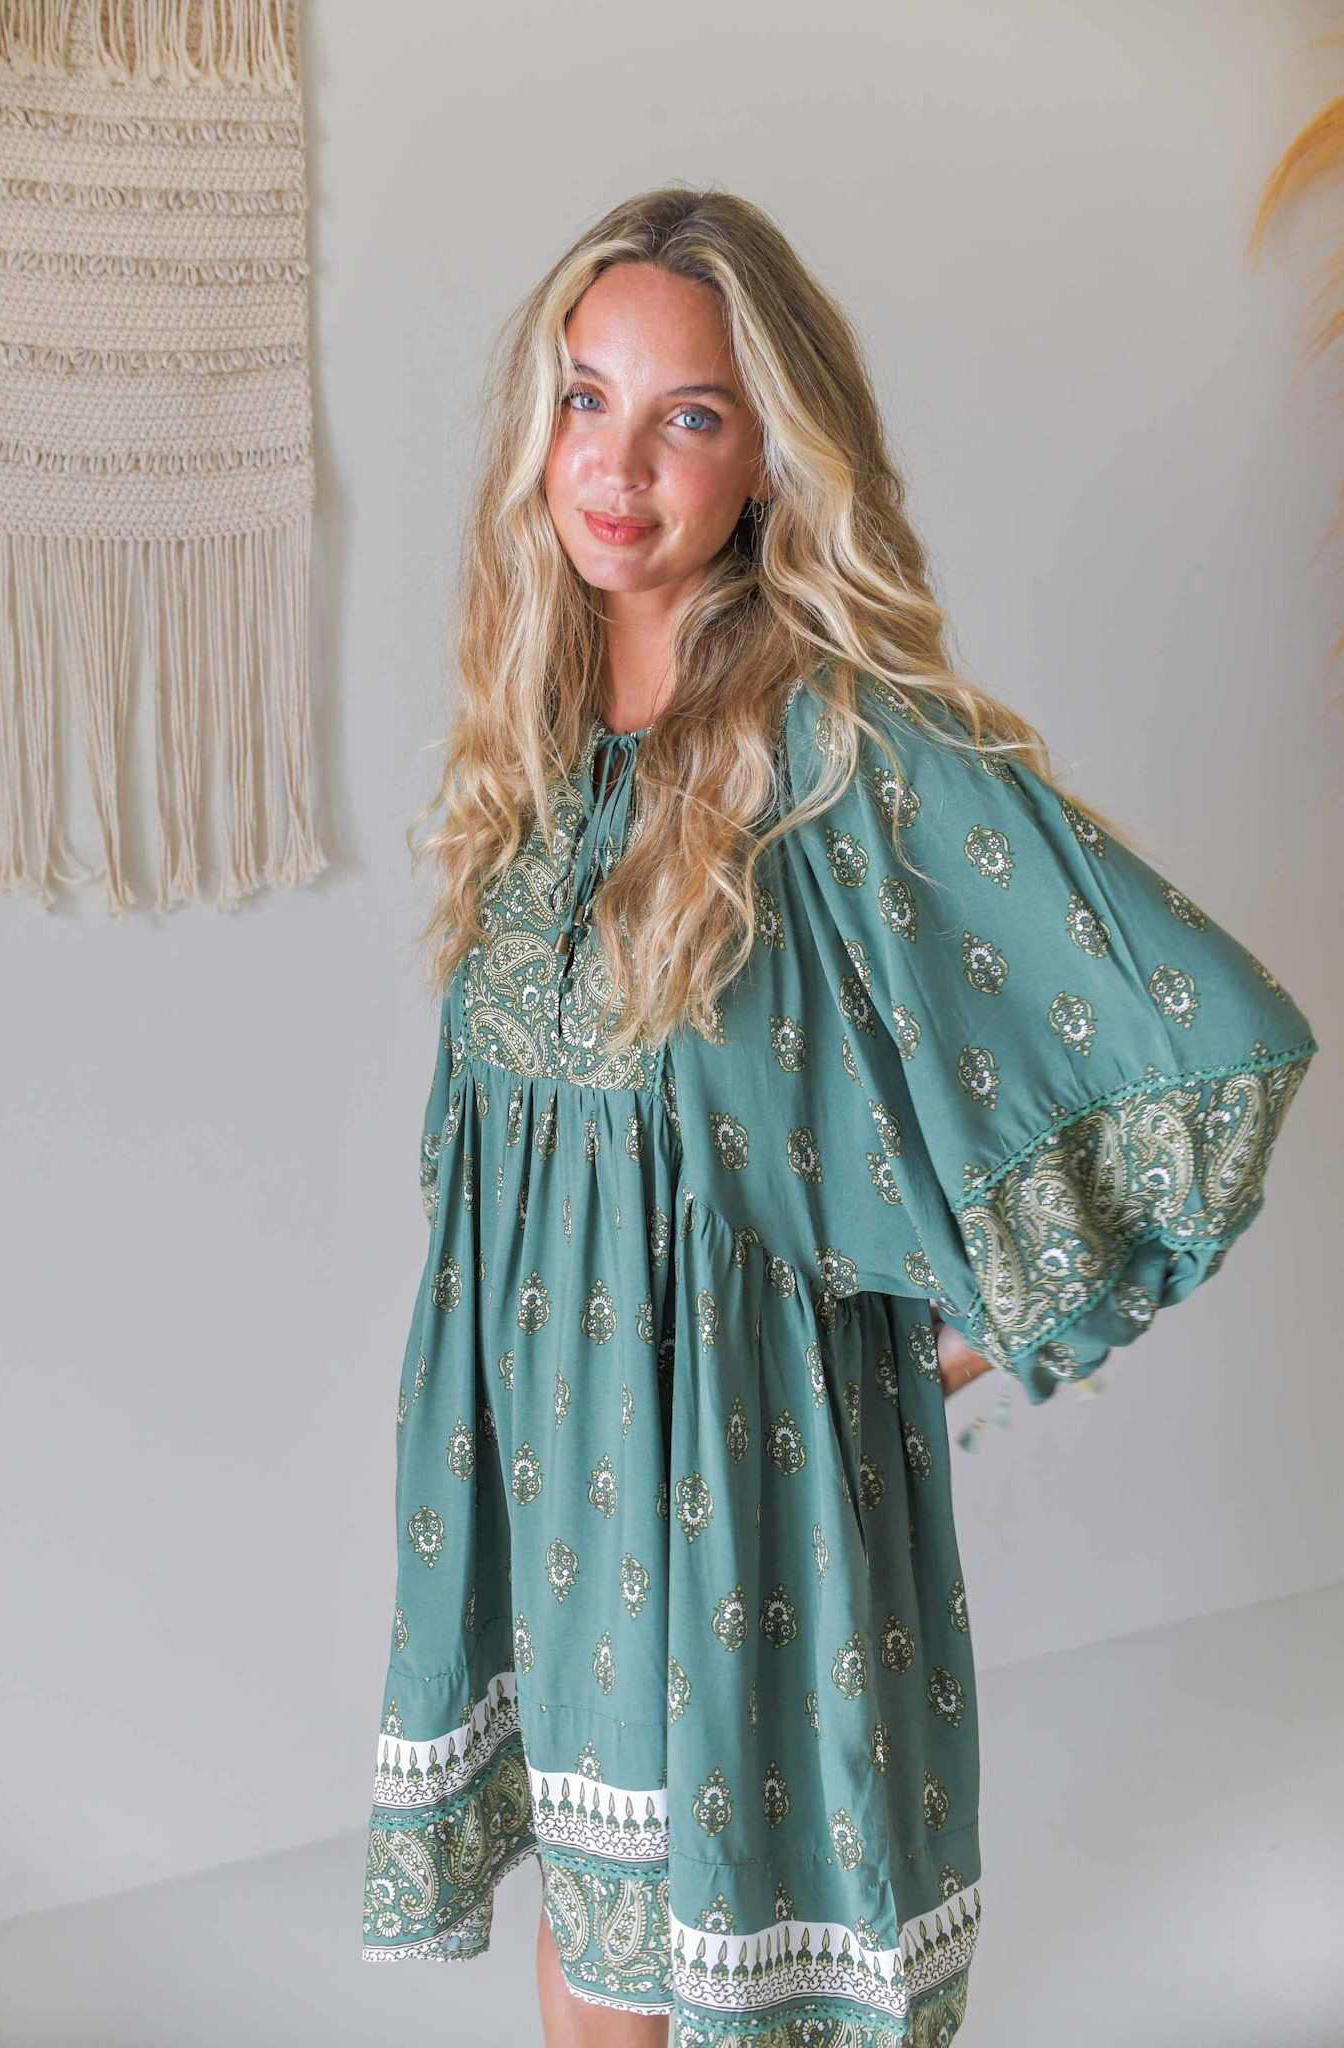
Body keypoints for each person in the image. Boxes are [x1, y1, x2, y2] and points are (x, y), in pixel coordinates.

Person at [359, 185, 1318, 2047]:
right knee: (595, 1969)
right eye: (584, 399)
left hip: (744, 1500)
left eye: (689, 416)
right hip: (542, 1480)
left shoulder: (834, 743)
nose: (618, 465)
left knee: (740, 1988)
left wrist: (926, 1349)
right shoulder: (532, 742)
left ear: (764, 463)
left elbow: (1213, 1048)